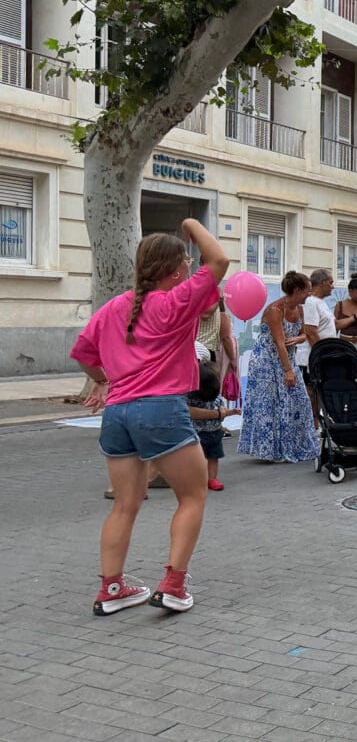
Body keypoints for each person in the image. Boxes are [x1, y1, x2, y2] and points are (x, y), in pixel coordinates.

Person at [70, 219, 228, 615]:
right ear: (175, 270)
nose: (192, 268)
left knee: (124, 505)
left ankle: (112, 588)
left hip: (118, 413)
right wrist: (192, 223)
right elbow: (221, 260)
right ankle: (173, 585)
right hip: (159, 408)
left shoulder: (113, 308)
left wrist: (104, 383)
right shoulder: (175, 301)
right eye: (186, 264)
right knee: (192, 495)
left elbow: (84, 355)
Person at [237, 271, 319, 463]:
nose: (309, 294)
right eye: (307, 290)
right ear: (297, 290)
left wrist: (298, 339)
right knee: (271, 404)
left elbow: (303, 334)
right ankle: (272, 450)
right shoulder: (275, 310)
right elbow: (279, 342)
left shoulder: (300, 308)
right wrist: (289, 370)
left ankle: (297, 445)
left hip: (286, 358)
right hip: (267, 361)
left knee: (299, 401)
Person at [186, 350, 238, 492]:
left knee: (213, 457)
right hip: (196, 433)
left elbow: (221, 409)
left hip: (215, 431)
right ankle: (198, 480)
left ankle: (212, 479)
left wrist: (232, 412)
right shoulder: (191, 397)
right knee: (198, 458)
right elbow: (191, 413)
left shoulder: (216, 395)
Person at [299, 269, 338, 427]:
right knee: (312, 392)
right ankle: (312, 425)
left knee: (320, 391)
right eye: (331, 283)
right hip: (312, 357)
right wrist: (322, 354)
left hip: (324, 356)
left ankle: (317, 423)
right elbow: (311, 331)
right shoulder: (310, 302)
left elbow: (331, 327)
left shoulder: (320, 303)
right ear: (322, 283)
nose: (332, 286)